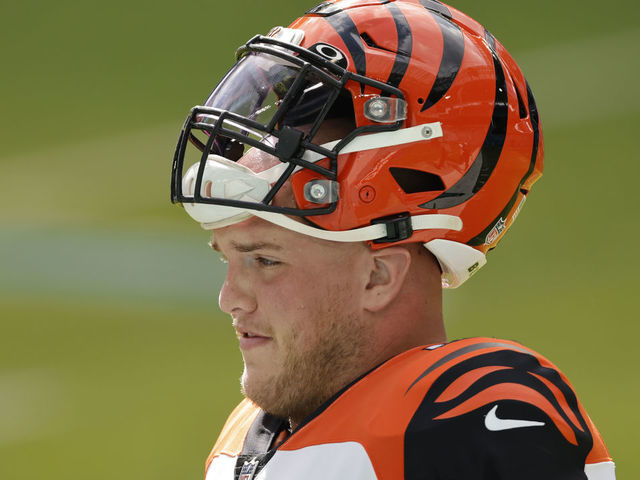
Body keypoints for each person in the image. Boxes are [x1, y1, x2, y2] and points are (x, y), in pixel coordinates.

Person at [170, 1, 615, 478]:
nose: (229, 300)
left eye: (265, 260)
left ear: (379, 275)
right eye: (228, 260)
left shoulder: (460, 419)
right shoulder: (247, 434)